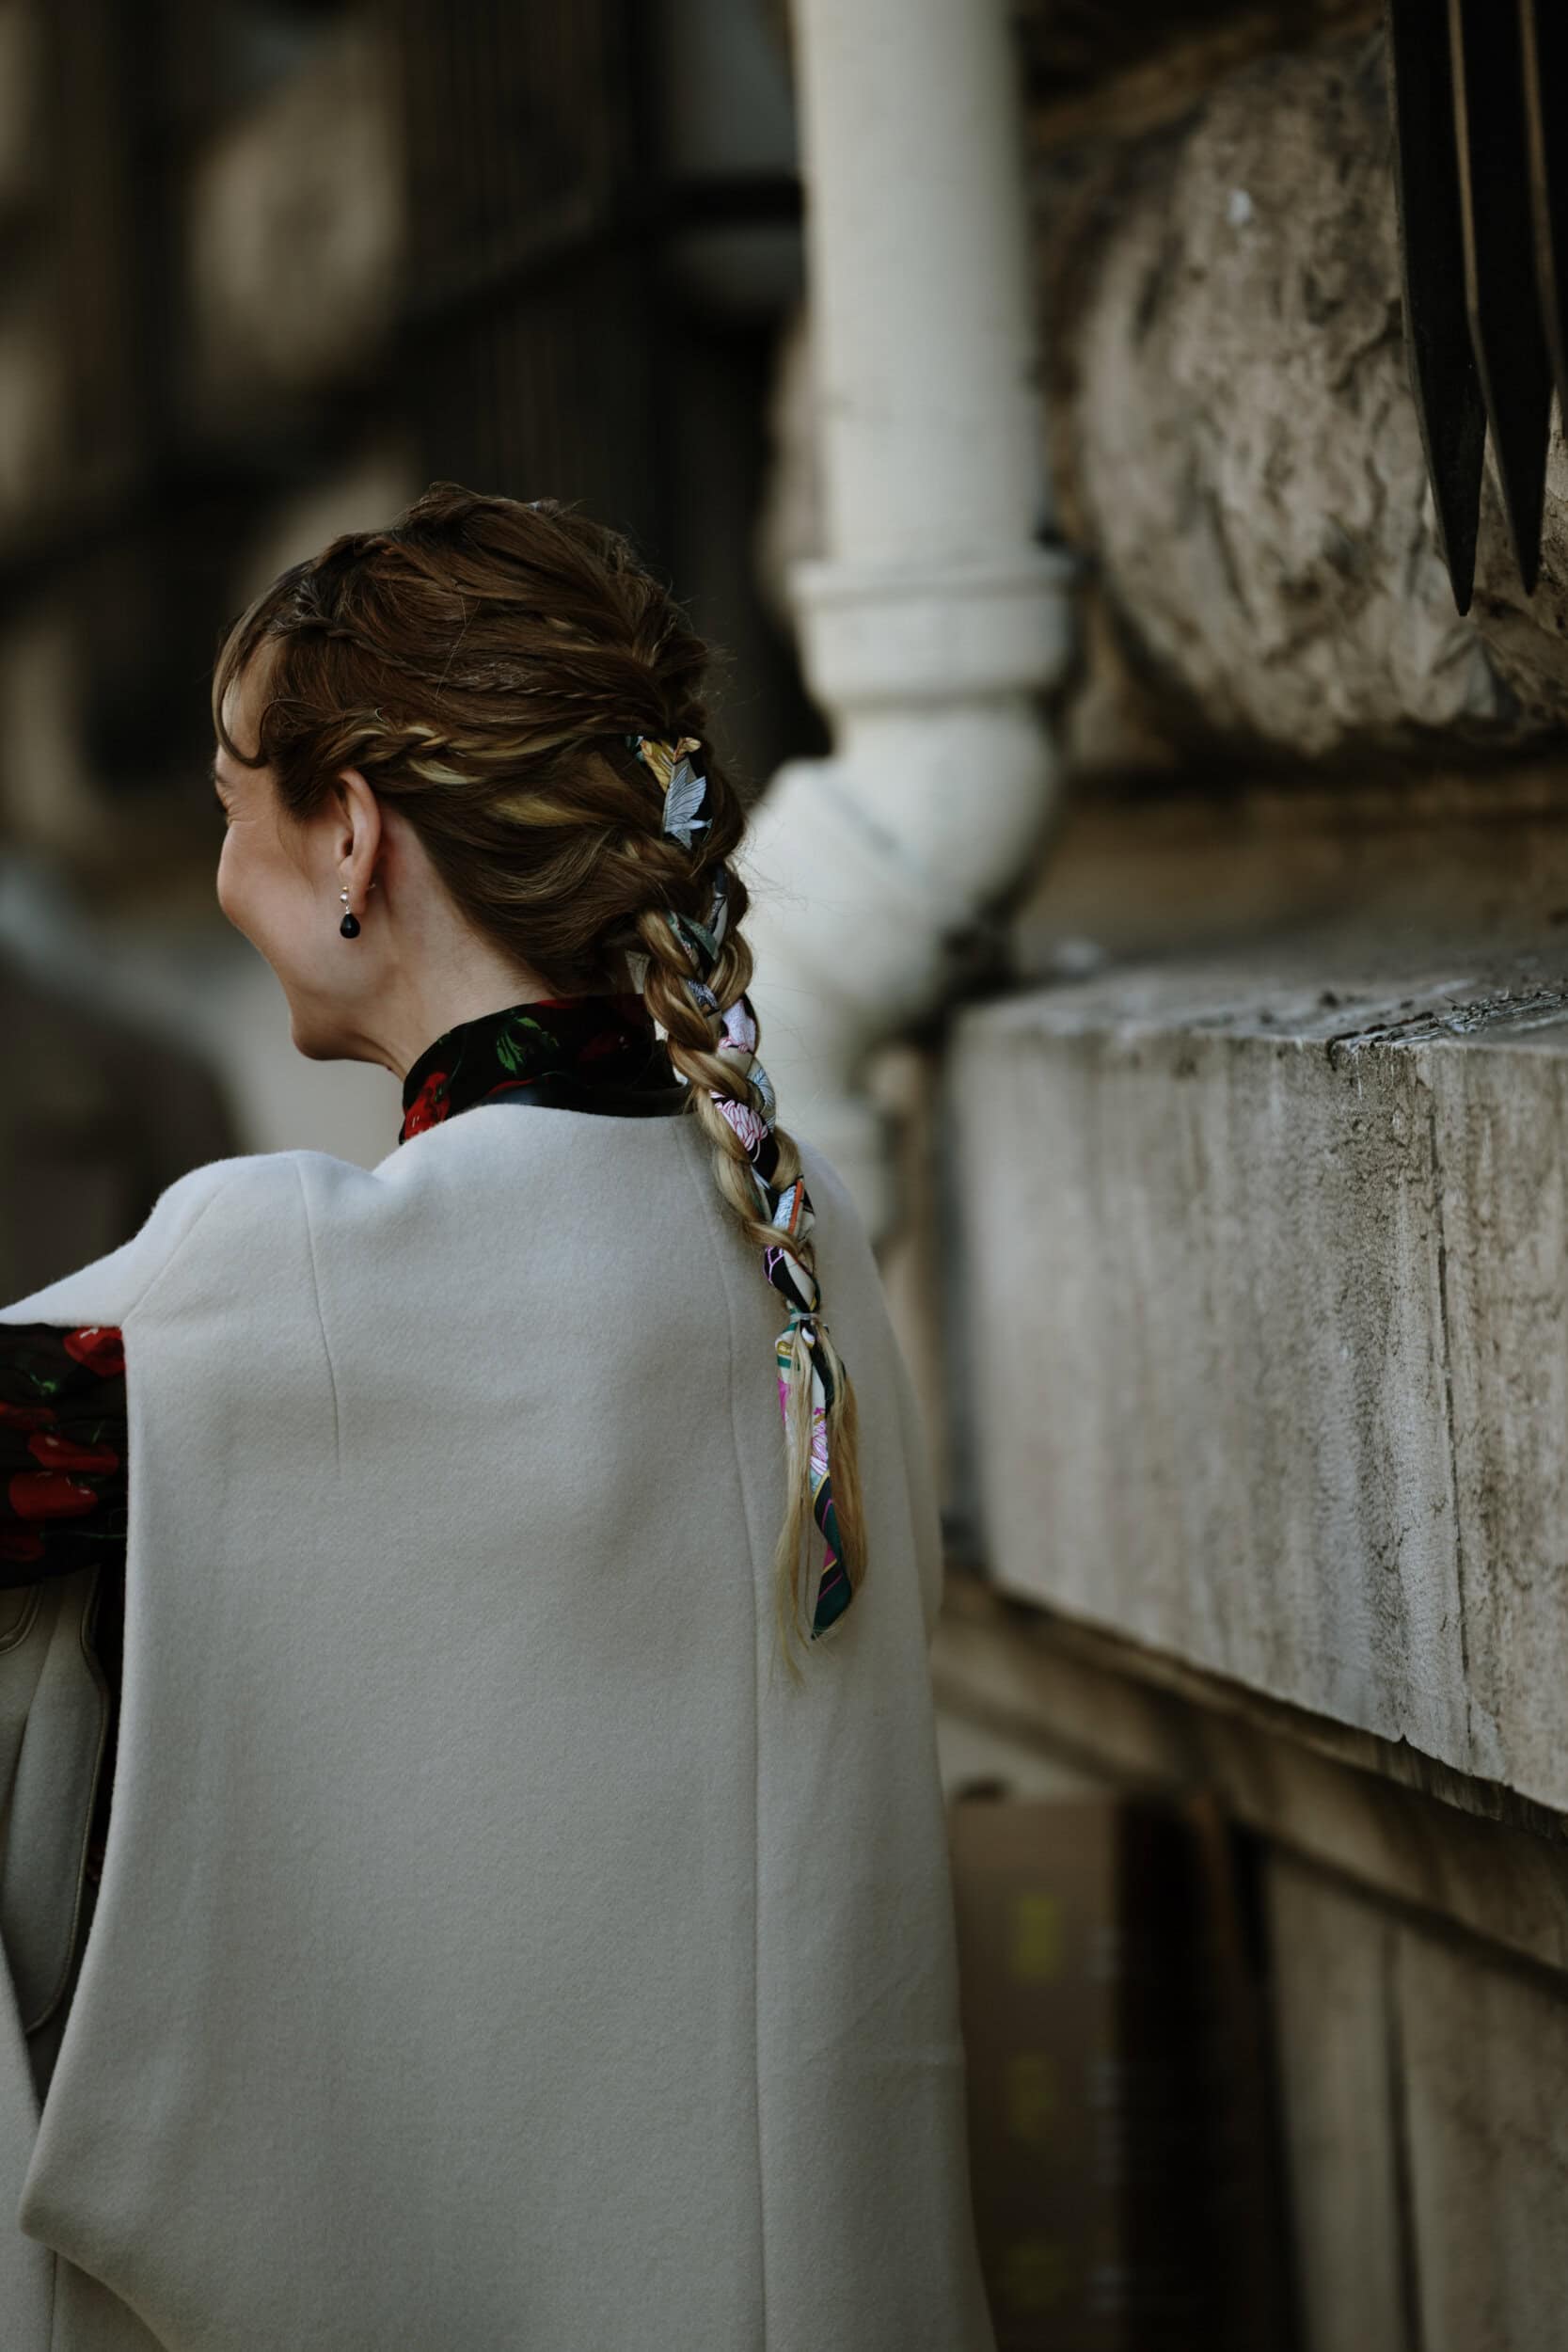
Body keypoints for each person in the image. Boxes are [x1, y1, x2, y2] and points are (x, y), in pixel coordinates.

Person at [0, 484, 997, 2351]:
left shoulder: (293, 1283)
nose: (226, 878)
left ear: (352, 835)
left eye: (235, 813)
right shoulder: (795, 1232)